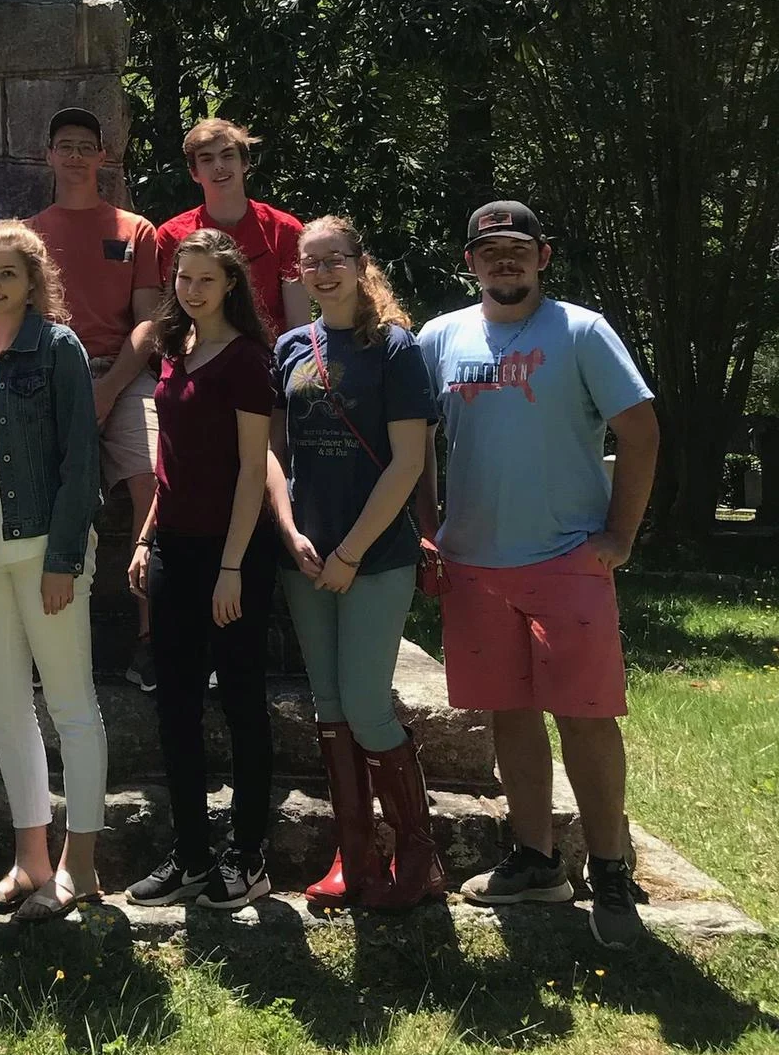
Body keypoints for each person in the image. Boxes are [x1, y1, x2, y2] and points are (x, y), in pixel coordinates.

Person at [416, 201, 660, 949]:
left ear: (543, 256)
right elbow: (416, 437)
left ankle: (610, 869)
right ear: (470, 262)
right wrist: (427, 529)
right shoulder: (439, 337)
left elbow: (640, 427)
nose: (504, 262)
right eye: (490, 252)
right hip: (472, 563)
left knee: (586, 716)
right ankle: (534, 859)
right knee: (508, 714)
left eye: (518, 249)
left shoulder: (581, 330)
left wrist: (620, 534)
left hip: (567, 558)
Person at [268, 217, 442, 910]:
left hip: (374, 556)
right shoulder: (287, 345)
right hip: (305, 555)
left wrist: (349, 552)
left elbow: (408, 463)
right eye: (310, 263)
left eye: (335, 259)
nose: (323, 272)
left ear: (359, 263)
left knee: (368, 704)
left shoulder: (395, 348)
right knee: (331, 705)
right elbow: (273, 455)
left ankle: (419, 859)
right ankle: (356, 857)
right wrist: (289, 533)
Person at [127, 230, 278, 911]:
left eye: (205, 281)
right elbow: (171, 462)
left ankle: (249, 854)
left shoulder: (247, 360)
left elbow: (253, 470)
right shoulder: (173, 347)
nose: (191, 290)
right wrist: (144, 538)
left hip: (232, 555)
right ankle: (189, 854)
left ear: (231, 286)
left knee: (244, 705)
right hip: (172, 552)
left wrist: (233, 567)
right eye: (183, 279)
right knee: (175, 709)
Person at [0, 222, 108, 922]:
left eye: (7, 275)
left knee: (71, 705)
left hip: (46, 551)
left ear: (33, 282)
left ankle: (80, 866)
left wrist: (63, 558)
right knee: (4, 707)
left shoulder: (57, 349)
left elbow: (82, 459)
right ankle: (31, 859)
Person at [29, 106, 162, 691]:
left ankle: (152, 638)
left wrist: (108, 390)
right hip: (55, 375)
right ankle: (43, 641)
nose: (76, 155)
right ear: (50, 156)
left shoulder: (136, 230)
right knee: (34, 490)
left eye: (87, 145)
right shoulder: (30, 233)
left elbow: (151, 321)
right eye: (66, 145)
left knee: (154, 482)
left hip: (125, 374)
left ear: (103, 158)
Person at [155, 117, 311, 344]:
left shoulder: (284, 230)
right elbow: (174, 316)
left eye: (228, 155)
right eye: (206, 159)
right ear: (194, 173)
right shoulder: (172, 235)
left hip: (271, 360)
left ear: (245, 163)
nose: (219, 166)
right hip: (199, 359)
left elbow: (299, 324)